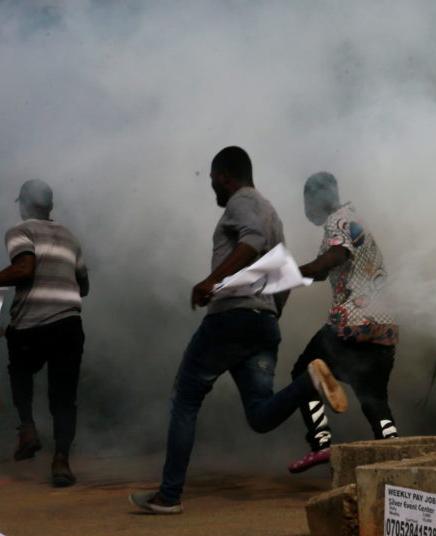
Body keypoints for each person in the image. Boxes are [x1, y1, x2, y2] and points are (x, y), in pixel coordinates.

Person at [129, 146, 348, 514]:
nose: (213, 187)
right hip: (262, 323)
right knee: (260, 415)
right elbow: (281, 273)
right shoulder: (274, 213)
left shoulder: (244, 203)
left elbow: (254, 238)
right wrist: (269, 319)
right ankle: (309, 380)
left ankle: (169, 496)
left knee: (185, 400)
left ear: (225, 176)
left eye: (214, 180)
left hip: (230, 318)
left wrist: (211, 280)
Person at [0, 179, 89, 488]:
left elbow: (24, 269)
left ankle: (27, 428)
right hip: (69, 324)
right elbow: (84, 286)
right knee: (64, 398)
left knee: (19, 372)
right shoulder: (70, 238)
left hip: (32, 325)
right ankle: (61, 461)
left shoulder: (20, 231)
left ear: (22, 205)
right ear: (50, 206)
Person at [287, 172, 399, 473]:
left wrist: (291, 273)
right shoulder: (355, 217)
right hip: (384, 326)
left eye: (306, 202)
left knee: (303, 372)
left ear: (317, 198)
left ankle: (322, 443)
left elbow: (335, 256)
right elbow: (325, 270)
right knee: (373, 397)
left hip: (351, 324)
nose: (305, 209)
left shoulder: (337, 221)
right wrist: (304, 270)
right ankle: (395, 459)